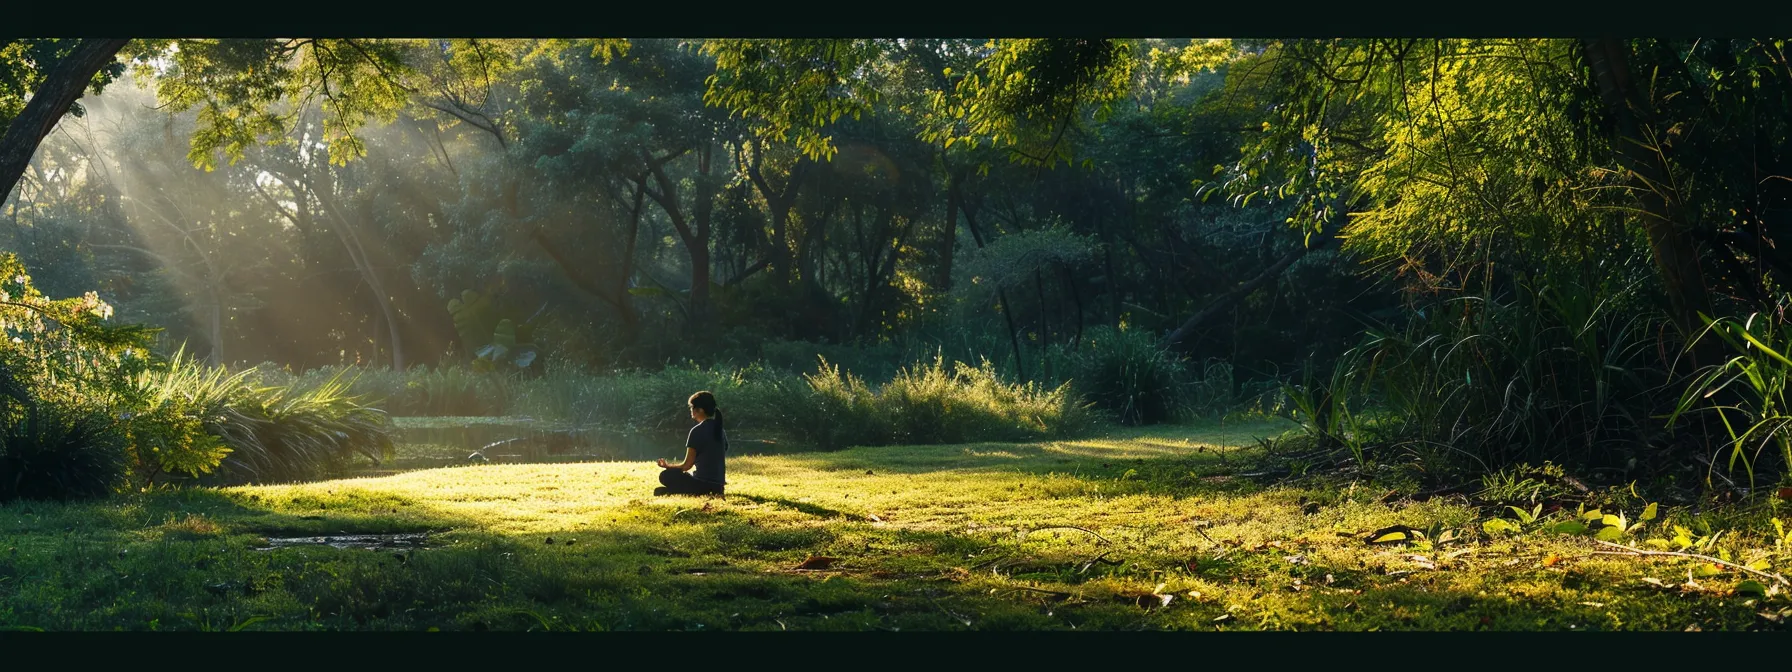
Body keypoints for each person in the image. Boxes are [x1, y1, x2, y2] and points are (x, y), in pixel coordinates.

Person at [654, 391, 727, 496]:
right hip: (719, 486)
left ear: (700, 410)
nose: (690, 410)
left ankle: (678, 492)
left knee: (665, 475)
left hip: (702, 484)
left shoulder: (697, 431)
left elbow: (687, 465)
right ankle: (674, 491)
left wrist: (668, 466)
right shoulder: (720, 430)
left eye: (691, 407)